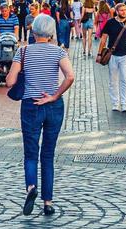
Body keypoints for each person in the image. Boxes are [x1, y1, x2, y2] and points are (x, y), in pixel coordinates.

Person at [6, 13, 75, 216]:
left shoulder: (23, 51)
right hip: (53, 107)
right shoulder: (58, 52)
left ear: (33, 31)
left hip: (31, 105)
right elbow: (70, 76)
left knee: (30, 152)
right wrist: (54, 96)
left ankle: (31, 188)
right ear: (52, 32)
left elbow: (10, 82)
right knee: (48, 154)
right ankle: (48, 202)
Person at [97, 1, 126, 113]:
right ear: (116, 12)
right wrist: (99, 54)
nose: (124, 12)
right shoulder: (110, 23)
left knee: (125, 80)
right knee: (113, 81)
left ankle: (124, 104)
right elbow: (103, 39)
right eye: (121, 10)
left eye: (125, 10)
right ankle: (115, 103)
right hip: (112, 55)